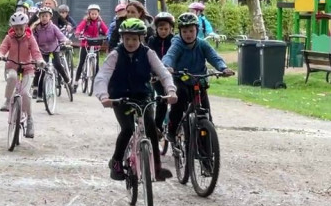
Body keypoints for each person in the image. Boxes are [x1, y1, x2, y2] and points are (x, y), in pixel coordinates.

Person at [95, 18, 177, 181]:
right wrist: (104, 97)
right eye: (127, 39)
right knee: (127, 129)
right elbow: (102, 77)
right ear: (122, 38)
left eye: (134, 39)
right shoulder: (115, 55)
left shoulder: (148, 53)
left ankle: (157, 167)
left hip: (143, 96)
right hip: (120, 98)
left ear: (141, 38)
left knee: (151, 127)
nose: (130, 42)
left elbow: (163, 73)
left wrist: (171, 91)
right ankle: (116, 162)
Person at [161, 12, 235, 143]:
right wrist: (167, 66)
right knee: (178, 104)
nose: (188, 34)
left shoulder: (202, 44)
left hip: (199, 80)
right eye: (184, 31)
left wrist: (223, 68)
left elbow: (214, 57)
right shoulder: (177, 44)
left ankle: (207, 144)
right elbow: (170, 56)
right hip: (181, 80)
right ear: (180, 32)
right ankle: (171, 131)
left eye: (191, 31)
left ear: (197, 30)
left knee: (206, 111)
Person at [0, 12, 43, 138]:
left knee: (26, 94)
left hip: (27, 68)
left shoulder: (30, 38)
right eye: (16, 28)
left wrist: (40, 61)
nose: (18, 30)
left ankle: (30, 120)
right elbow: (3, 48)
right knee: (12, 77)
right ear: (12, 28)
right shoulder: (9, 37)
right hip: (12, 66)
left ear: (25, 26)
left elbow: (36, 52)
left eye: (21, 28)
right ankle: (7, 100)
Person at [31, 6, 74, 93]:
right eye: (42, 16)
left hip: (53, 49)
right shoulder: (36, 29)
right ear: (39, 17)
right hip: (42, 50)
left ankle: (67, 81)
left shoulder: (53, 27)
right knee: (40, 69)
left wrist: (66, 41)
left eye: (46, 16)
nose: (44, 18)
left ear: (50, 17)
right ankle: (36, 89)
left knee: (58, 64)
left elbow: (60, 36)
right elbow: (33, 41)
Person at [148, 12, 176, 134]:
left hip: (172, 73)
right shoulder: (152, 40)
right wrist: (153, 73)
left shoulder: (175, 40)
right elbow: (149, 58)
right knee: (162, 99)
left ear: (171, 29)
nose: (163, 31)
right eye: (161, 29)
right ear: (156, 29)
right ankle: (157, 127)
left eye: (166, 29)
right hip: (157, 75)